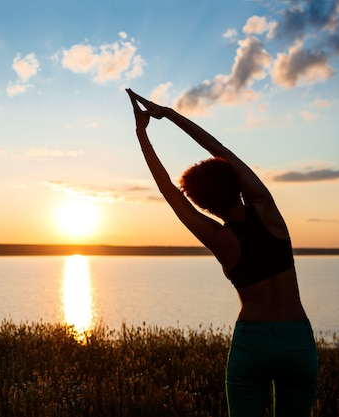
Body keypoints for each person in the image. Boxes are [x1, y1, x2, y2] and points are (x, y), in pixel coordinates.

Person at [126, 88, 318, 417]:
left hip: (253, 343)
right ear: (234, 181)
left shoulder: (218, 237)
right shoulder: (267, 210)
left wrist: (141, 133)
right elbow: (221, 150)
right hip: (296, 338)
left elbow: (168, 190)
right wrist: (168, 114)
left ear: (203, 203)